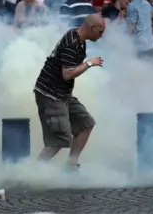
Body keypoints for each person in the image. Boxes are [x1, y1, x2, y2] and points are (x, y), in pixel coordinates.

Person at [33, 14, 105, 167]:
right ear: (92, 28)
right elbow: (67, 74)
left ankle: (71, 165)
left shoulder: (80, 41)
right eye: (100, 32)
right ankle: (34, 172)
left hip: (63, 94)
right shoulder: (72, 43)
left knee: (86, 124)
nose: (101, 36)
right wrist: (89, 64)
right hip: (50, 94)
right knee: (59, 139)